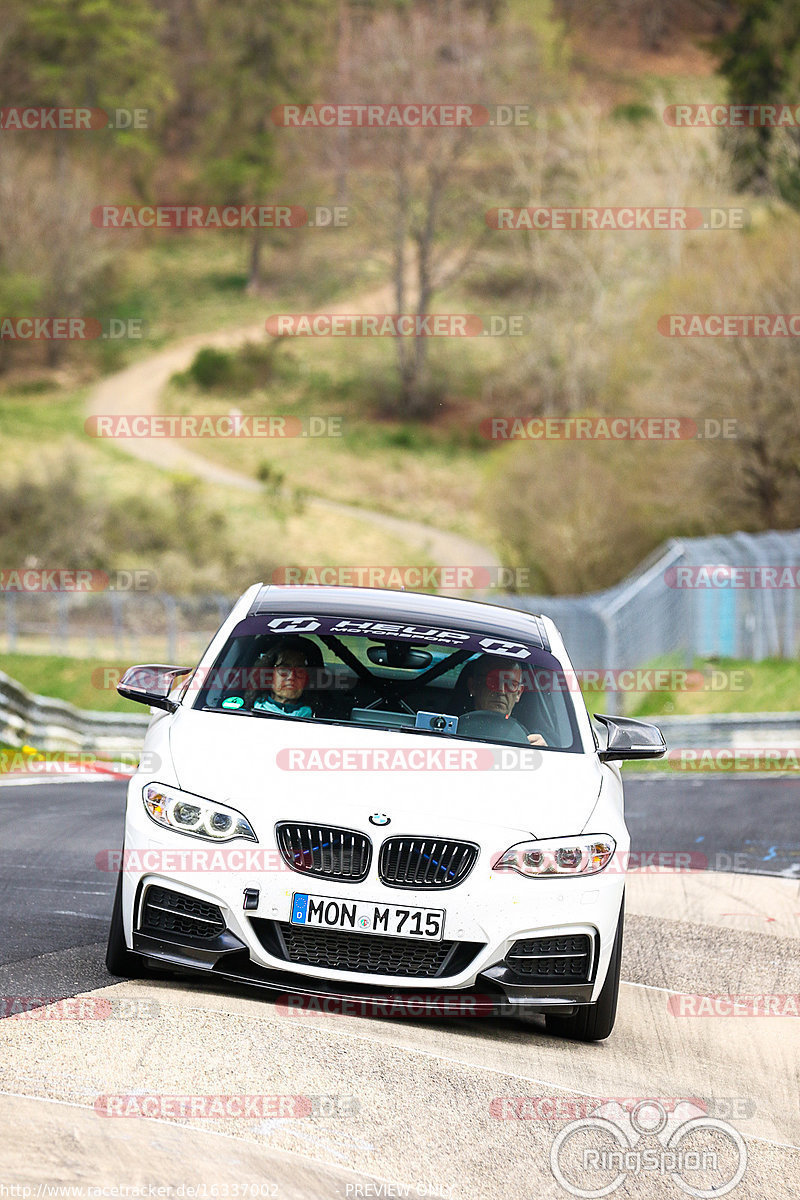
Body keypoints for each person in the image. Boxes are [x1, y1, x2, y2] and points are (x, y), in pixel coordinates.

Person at [465, 654, 548, 746]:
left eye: (511, 684)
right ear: (473, 686)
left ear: (518, 693)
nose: (501, 690)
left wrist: (545, 753)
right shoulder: (450, 731)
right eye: (492, 681)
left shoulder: (532, 740)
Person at [248, 638, 316, 718]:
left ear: (306, 680)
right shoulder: (245, 714)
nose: (291, 676)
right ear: (269, 676)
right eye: (284, 669)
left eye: (299, 670)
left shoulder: (319, 719)